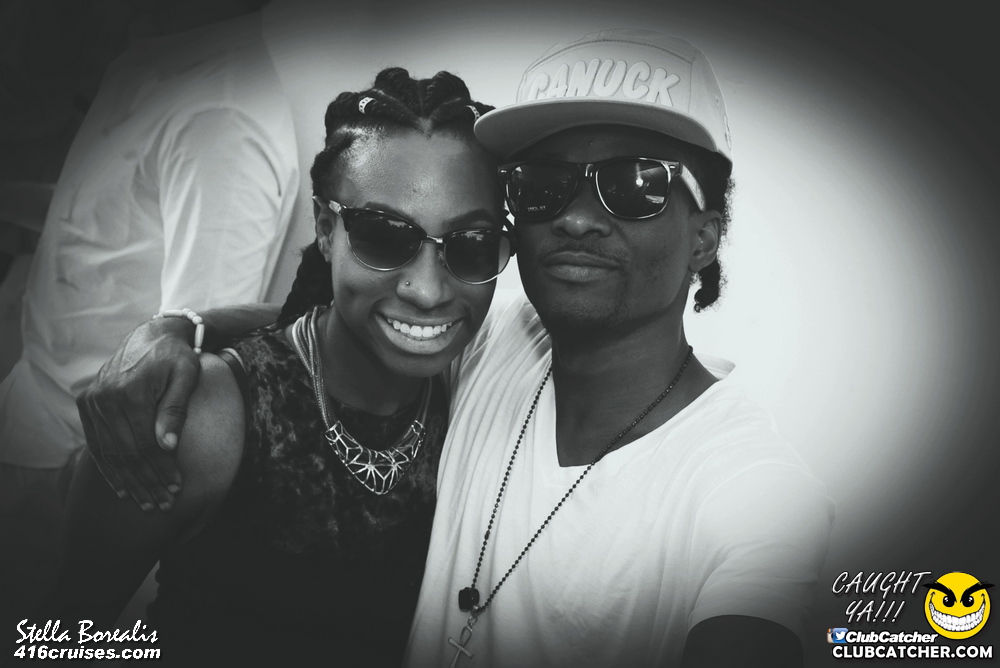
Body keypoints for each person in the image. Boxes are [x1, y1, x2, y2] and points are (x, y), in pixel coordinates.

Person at [77, 29, 832, 666]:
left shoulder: (751, 490)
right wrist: (175, 328)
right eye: (543, 185)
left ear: (704, 236)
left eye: (635, 185)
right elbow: (355, 312)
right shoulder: (486, 338)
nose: (576, 218)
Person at [49, 68, 513, 666]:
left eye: (470, 244)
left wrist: (182, 324)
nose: (427, 291)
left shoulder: (475, 385)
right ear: (326, 229)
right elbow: (59, 637)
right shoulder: (200, 418)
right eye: (383, 236)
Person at [0, 2, 299, 620]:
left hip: (69, 468)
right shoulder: (147, 59)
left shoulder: (222, 118)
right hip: (25, 414)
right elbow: (104, 222)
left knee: (40, 641)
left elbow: (185, 362)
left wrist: (89, 498)